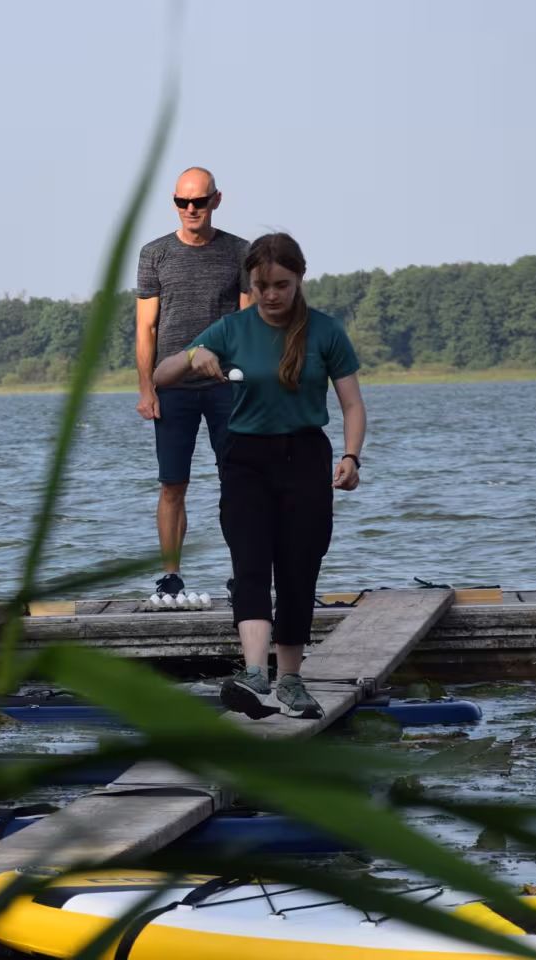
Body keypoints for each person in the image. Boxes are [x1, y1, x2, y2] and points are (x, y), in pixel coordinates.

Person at [154, 232, 366, 720]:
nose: (271, 295)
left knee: (297, 569)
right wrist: (191, 356)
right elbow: (162, 375)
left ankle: (290, 680)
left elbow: (352, 404)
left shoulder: (327, 332)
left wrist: (352, 458)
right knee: (250, 564)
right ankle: (254, 676)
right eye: (262, 285)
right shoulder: (230, 328)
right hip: (246, 459)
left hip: (307, 459)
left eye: (281, 285)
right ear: (250, 282)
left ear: (299, 280)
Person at [135, 166, 251, 607]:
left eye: (198, 202)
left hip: (226, 387)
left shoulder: (240, 252)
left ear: (216, 201)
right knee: (172, 484)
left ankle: (245, 572)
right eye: (182, 202)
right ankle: (169, 577)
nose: (190, 209)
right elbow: (146, 328)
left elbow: (248, 322)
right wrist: (147, 389)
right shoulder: (155, 254)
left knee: (237, 481)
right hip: (172, 386)